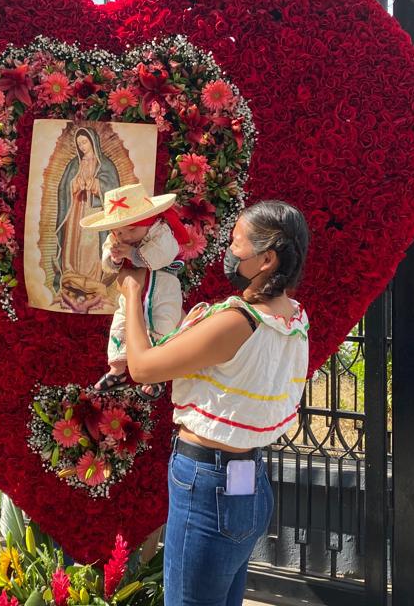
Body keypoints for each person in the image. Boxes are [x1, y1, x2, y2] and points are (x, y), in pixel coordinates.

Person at [118, 200, 310, 606]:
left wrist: (133, 293)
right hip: (247, 478)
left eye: (237, 244)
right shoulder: (294, 317)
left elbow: (142, 366)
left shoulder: (238, 321)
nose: (229, 251)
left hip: (207, 483)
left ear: (267, 259)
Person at [80, 183, 189, 399]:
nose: (125, 236)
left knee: (162, 323)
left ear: (148, 222)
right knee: (122, 323)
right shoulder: (116, 239)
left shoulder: (160, 231)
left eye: (132, 229)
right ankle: (117, 369)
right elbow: (107, 265)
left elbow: (161, 256)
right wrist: (115, 258)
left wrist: (132, 253)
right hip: (131, 291)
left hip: (162, 289)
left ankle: (157, 374)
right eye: (119, 231)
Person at [54, 127, 120, 291]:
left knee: (89, 243)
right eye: (79, 144)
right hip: (76, 210)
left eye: (84, 142)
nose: (82, 146)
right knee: (73, 241)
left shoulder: (105, 164)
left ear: (93, 141)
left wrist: (95, 184)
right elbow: (63, 187)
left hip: (95, 211)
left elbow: (113, 188)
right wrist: (75, 184)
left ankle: (92, 277)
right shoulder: (74, 164)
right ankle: (71, 273)